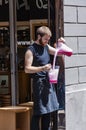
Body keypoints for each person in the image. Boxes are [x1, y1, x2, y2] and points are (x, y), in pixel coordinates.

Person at [24, 26, 72, 130]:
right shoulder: (31, 50)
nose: (47, 41)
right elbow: (27, 69)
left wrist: (61, 44)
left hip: (48, 83)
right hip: (39, 84)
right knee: (39, 112)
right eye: (45, 39)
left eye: (48, 39)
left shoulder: (46, 47)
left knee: (48, 111)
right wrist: (42, 68)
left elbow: (59, 52)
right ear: (38, 36)